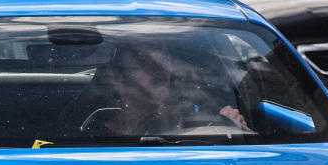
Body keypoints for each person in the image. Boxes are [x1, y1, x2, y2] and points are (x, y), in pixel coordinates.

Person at [86, 44, 246, 136]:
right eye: (144, 60)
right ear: (116, 77)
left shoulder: (200, 122)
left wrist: (232, 128)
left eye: (164, 57)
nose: (162, 68)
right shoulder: (90, 138)